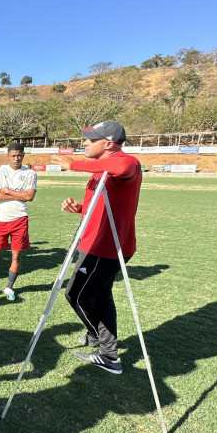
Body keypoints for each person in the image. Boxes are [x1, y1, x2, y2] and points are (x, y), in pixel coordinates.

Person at [59, 121, 142, 375]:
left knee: (77, 295)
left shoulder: (126, 162)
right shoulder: (100, 170)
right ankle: (106, 349)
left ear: (108, 144)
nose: (85, 143)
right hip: (93, 243)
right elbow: (104, 207)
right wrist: (81, 210)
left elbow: (124, 165)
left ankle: (104, 347)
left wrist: (72, 165)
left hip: (105, 248)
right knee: (101, 296)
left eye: (90, 139)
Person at [0, 143, 37, 301]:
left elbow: (29, 197)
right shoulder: (0, 172)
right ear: (8, 156)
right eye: (13, 155)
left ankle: (9, 288)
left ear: (23, 155)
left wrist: (8, 191)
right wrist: (20, 194)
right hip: (2, 219)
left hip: (20, 219)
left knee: (16, 256)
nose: (16, 158)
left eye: (19, 155)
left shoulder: (30, 173)